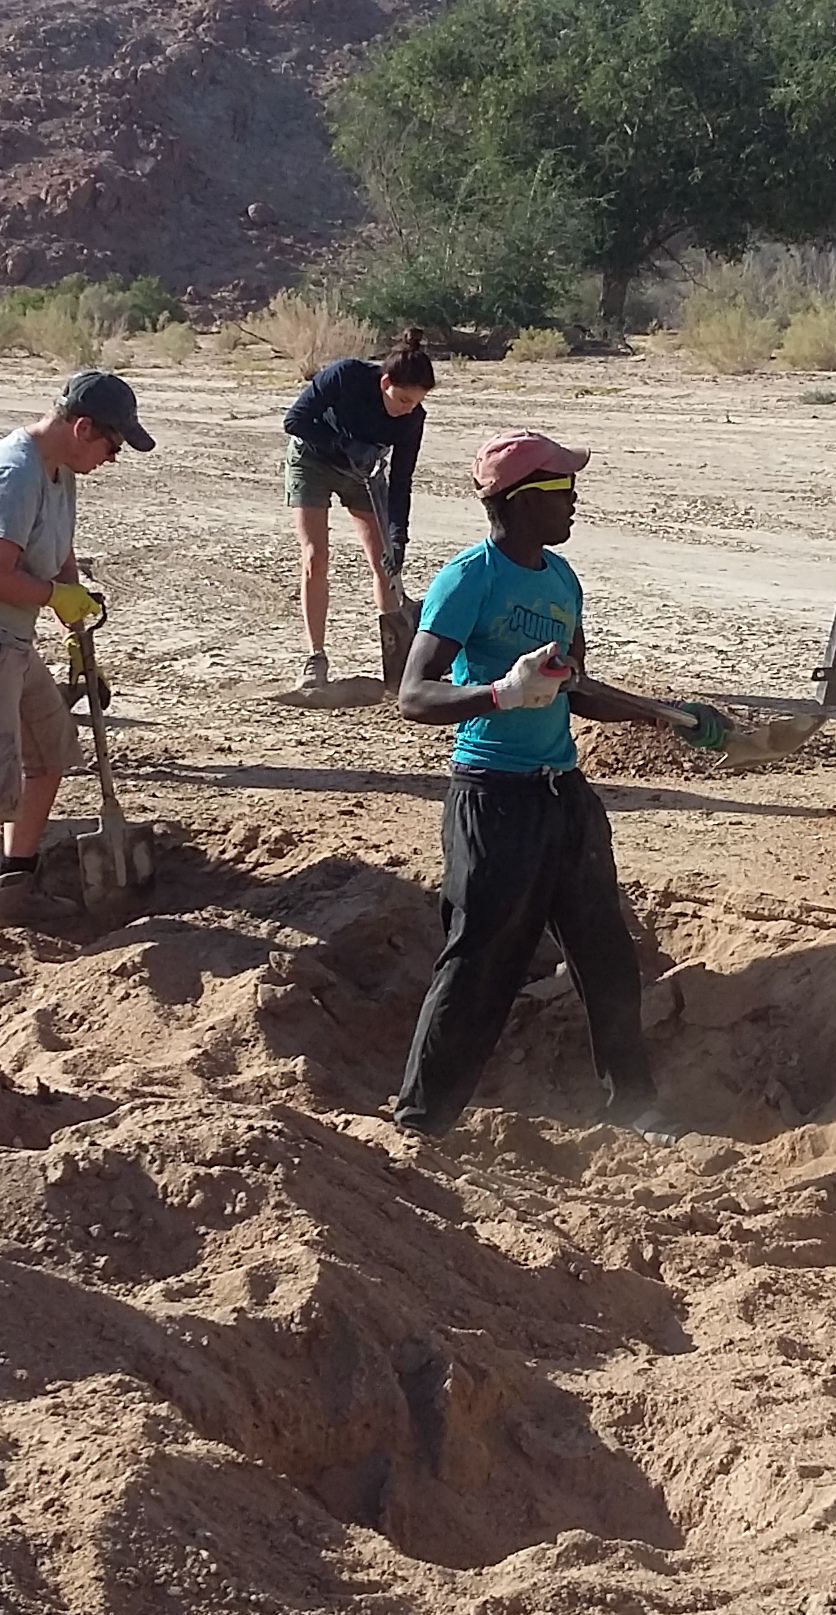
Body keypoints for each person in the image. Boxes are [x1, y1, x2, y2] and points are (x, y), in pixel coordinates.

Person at [387, 430, 728, 1141]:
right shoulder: (469, 578)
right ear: (520, 501)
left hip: (563, 797)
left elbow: (572, 686)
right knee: (479, 966)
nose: (575, 501)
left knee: (607, 957)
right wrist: (502, 694)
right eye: (562, 489)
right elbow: (414, 696)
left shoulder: (561, 579)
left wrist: (665, 715)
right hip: (492, 800)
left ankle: (633, 1106)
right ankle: (421, 1124)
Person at [0, 371, 155, 988]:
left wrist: (72, 603)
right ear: (82, 429)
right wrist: (54, 597)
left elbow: (59, 549)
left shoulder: (59, 471)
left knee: (49, 755)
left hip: (9, 643)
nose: (113, 457)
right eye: (113, 445)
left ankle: (14, 887)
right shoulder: (14, 474)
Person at [282, 329, 434, 688]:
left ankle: (399, 663)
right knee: (315, 558)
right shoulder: (346, 375)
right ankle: (315, 658)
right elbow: (295, 421)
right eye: (402, 399)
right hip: (312, 463)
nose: (407, 409)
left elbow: (401, 482)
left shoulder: (412, 419)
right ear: (385, 383)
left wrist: (399, 538)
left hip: (364, 475)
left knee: (385, 563)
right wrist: (344, 445)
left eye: (416, 402)